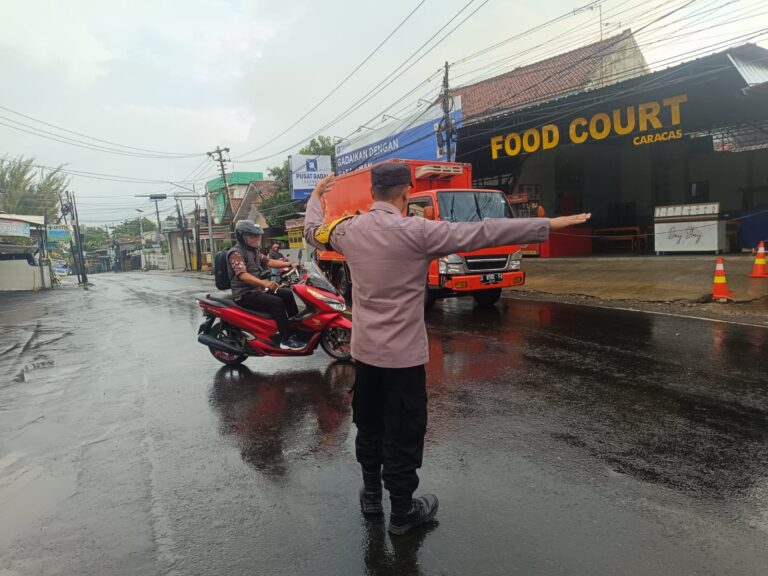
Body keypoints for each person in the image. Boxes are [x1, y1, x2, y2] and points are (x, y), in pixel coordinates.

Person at [304, 164, 591, 535]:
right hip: (404, 358)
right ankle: (403, 512)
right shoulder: (419, 232)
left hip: (365, 355)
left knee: (370, 426)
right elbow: (482, 232)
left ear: (373, 193)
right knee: (404, 432)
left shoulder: (348, 230)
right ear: (406, 194)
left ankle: (371, 497)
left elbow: (313, 233)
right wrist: (546, 225)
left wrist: (316, 197)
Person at [227, 220, 303, 351]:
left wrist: (289, 264)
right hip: (244, 294)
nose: (256, 239)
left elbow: (269, 261)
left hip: (257, 290)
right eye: (252, 236)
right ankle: (285, 339)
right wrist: (264, 283)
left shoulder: (254, 251)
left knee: (287, 294)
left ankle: (294, 329)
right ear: (241, 236)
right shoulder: (236, 253)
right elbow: (242, 275)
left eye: (257, 236)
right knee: (276, 302)